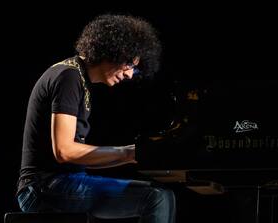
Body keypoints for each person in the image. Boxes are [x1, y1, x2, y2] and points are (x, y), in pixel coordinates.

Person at [16, 14, 176, 223]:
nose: (130, 74)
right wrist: (128, 152)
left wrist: (133, 155)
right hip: (42, 187)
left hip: (63, 182)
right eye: (129, 63)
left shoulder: (79, 79)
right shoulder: (68, 76)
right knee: (156, 198)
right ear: (112, 50)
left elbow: (75, 158)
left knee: (164, 195)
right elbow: (64, 151)